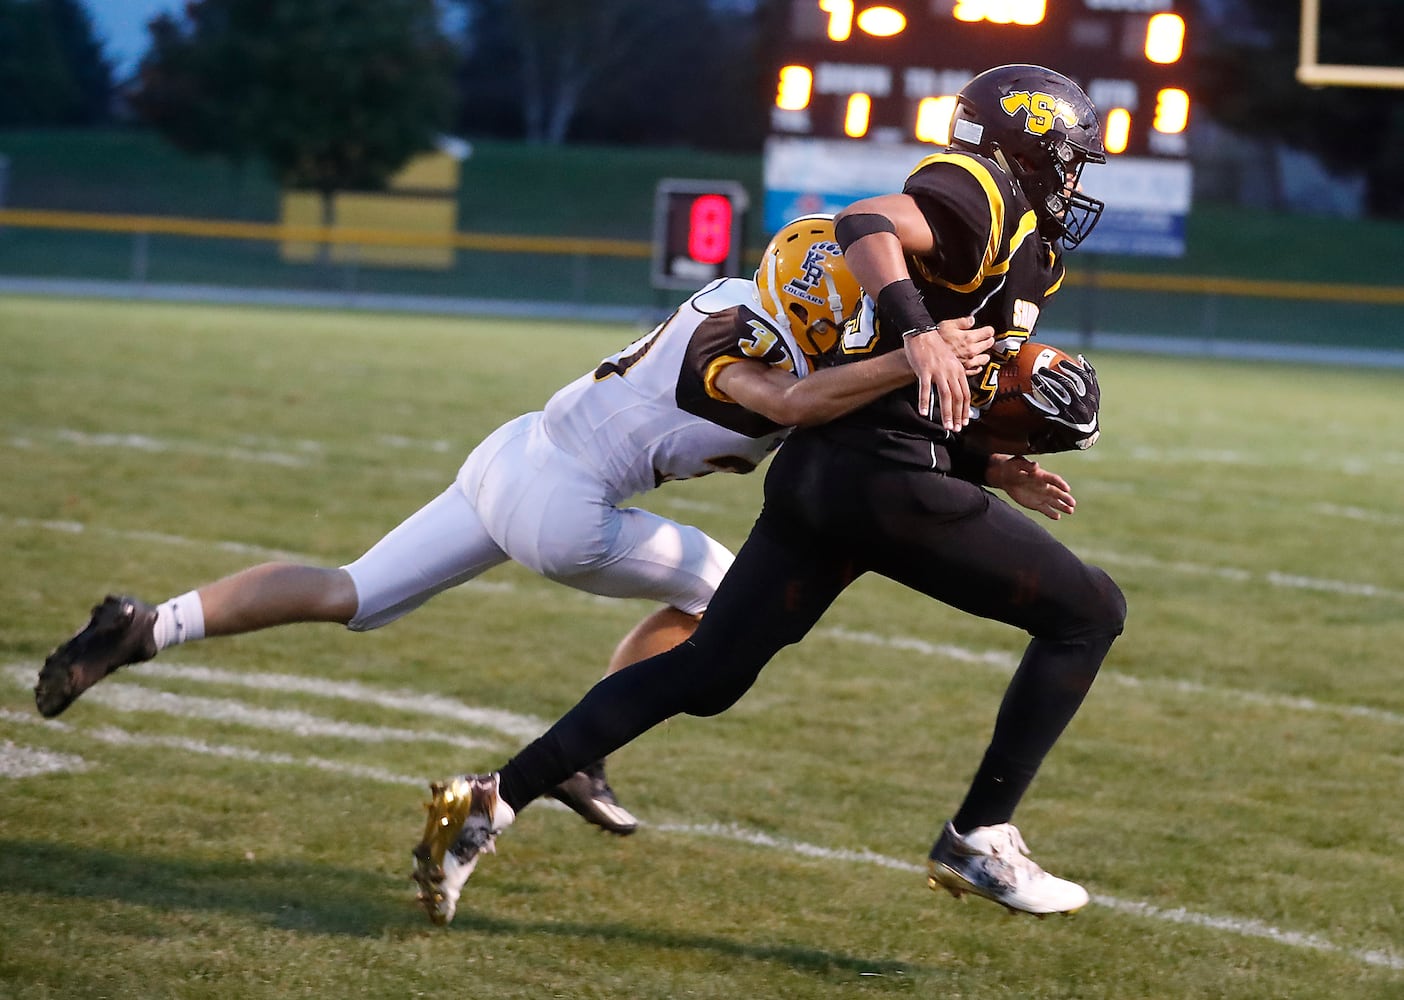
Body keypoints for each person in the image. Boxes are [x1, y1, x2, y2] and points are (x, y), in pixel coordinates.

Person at [409, 64, 1126, 926]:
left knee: (708, 675)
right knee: (1090, 612)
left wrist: (989, 463)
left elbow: (944, 389)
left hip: (828, 476)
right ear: (1023, 147)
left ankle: (489, 801)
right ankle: (981, 833)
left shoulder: (1029, 254)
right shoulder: (979, 192)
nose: (1077, 179)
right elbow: (867, 222)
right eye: (1069, 158)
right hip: (888, 482)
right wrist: (917, 332)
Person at [33, 215, 995, 836]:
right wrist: (911, 361)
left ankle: (145, 627)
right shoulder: (741, 343)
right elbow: (788, 405)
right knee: (722, 591)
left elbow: (826, 396)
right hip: (561, 506)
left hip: (512, 454)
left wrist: (979, 453)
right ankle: (580, 758)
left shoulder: (747, 302)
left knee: (353, 591)